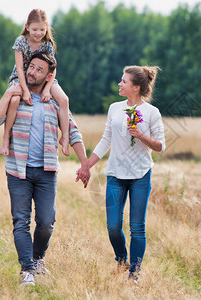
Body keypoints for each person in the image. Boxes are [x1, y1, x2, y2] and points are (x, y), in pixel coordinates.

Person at [0, 52, 90, 286]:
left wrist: (84, 163)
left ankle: (37, 258)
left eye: (38, 70)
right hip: (17, 170)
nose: (32, 72)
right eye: (30, 67)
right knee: (20, 220)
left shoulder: (54, 101)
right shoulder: (16, 95)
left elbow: (72, 131)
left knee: (46, 220)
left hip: (46, 171)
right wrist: (7, 93)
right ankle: (27, 270)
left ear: (49, 76)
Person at [85, 65, 166, 283]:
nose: (119, 84)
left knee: (137, 227)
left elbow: (160, 146)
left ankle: (134, 273)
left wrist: (141, 135)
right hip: (116, 175)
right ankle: (122, 259)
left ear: (136, 87)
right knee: (113, 227)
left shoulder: (152, 113)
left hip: (140, 175)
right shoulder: (114, 108)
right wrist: (87, 165)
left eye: (123, 81)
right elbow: (106, 141)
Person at [1, 8, 70, 157]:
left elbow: (54, 68)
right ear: (27, 27)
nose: (39, 33)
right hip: (21, 77)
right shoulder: (21, 41)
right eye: (35, 30)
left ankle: (65, 137)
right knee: (14, 101)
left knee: (64, 100)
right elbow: (19, 68)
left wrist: (47, 89)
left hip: (44, 78)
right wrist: (25, 90)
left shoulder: (47, 45)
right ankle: (6, 138)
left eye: (42, 30)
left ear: (47, 28)